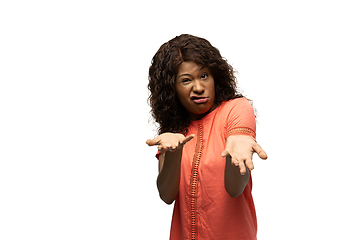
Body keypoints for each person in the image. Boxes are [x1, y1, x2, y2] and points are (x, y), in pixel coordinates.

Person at [146, 34, 267, 240]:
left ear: (215, 76)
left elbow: (235, 189)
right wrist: (173, 153)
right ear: (171, 89)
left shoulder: (235, 109)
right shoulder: (174, 131)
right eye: (186, 80)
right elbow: (167, 196)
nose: (199, 87)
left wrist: (235, 153)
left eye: (204, 76)